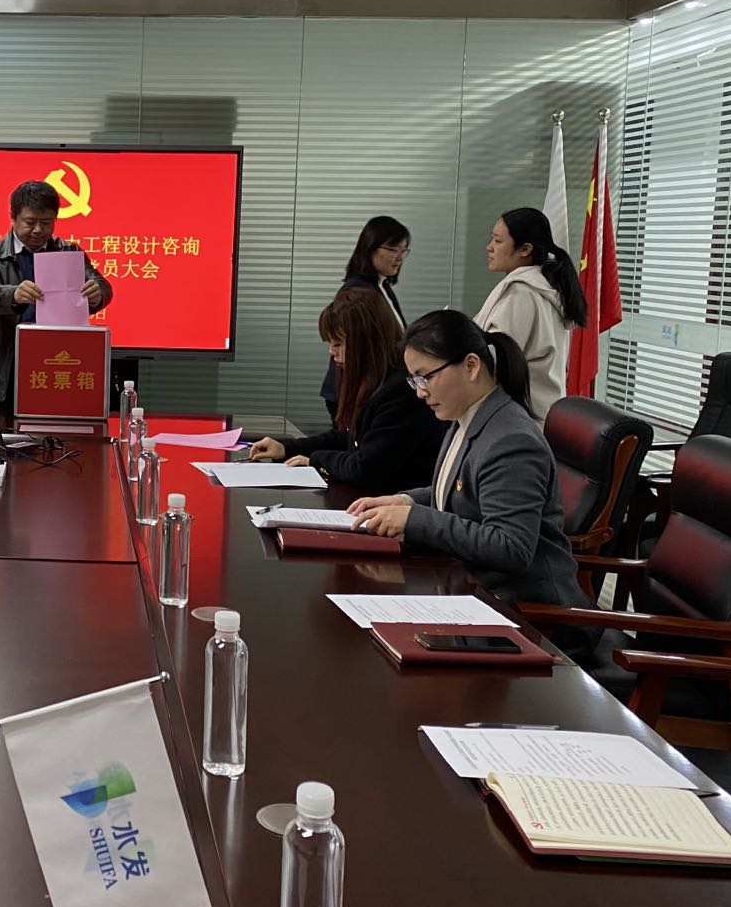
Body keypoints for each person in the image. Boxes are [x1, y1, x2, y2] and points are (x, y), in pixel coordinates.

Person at [346, 310, 590, 619]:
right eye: (414, 380)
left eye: (426, 377)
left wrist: (414, 520)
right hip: (471, 588)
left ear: (471, 366)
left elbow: (510, 548)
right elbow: (464, 493)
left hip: (526, 611)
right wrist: (406, 500)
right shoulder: (466, 418)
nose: (420, 392)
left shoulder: (511, 440)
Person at [250, 288, 443, 492]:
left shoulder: (401, 392)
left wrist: (316, 460)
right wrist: (286, 447)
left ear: (366, 342)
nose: (331, 352)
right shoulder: (374, 382)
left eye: (338, 343)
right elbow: (347, 437)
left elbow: (366, 468)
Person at [0, 179, 112, 410]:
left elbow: (102, 286)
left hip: (58, 360)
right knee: (1, 427)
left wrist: (97, 293)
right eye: (30, 222)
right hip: (6, 363)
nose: (38, 230)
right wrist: (13, 294)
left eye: (46, 222)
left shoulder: (69, 252)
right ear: (13, 218)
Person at [474, 207, 588, 423]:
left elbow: (495, 360)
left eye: (498, 241)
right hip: (538, 416)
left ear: (525, 249)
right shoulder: (545, 286)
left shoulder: (522, 293)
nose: (489, 247)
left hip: (519, 420)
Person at [318, 216, 409, 422]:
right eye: (393, 249)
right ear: (370, 248)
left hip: (374, 391)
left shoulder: (382, 286)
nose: (399, 257)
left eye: (403, 250)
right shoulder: (358, 294)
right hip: (355, 393)